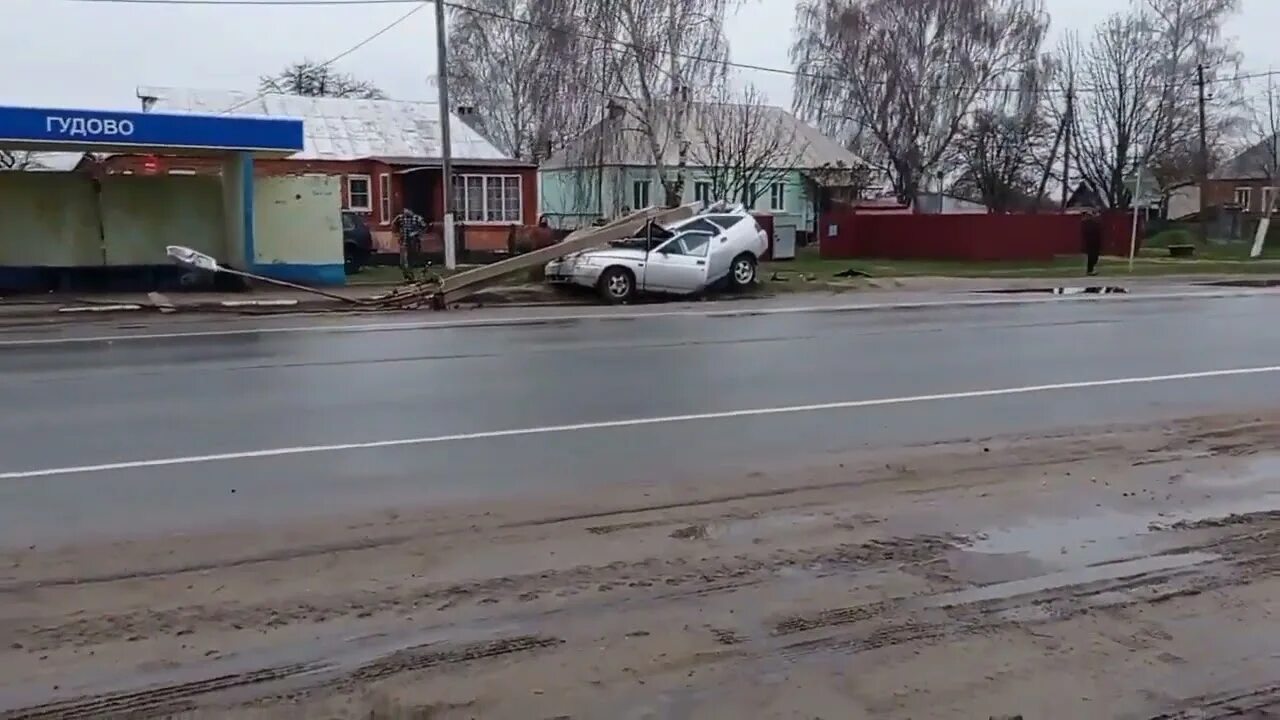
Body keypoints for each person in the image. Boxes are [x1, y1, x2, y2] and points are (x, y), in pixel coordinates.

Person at [392, 207, 427, 281]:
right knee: (403, 261)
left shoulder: (417, 218)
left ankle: (411, 276)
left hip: (413, 242)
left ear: (411, 210)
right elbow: (394, 224)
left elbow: (424, 227)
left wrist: (417, 233)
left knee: (411, 259)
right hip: (404, 241)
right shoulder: (400, 217)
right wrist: (397, 234)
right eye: (405, 210)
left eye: (407, 210)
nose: (406, 212)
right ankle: (407, 275)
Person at [1081, 208, 1103, 276]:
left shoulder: (1094, 222)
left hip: (1095, 241)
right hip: (1090, 242)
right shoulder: (1086, 223)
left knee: (1094, 256)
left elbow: (1098, 230)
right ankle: (1090, 270)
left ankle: (1091, 269)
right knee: (1091, 256)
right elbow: (1087, 232)